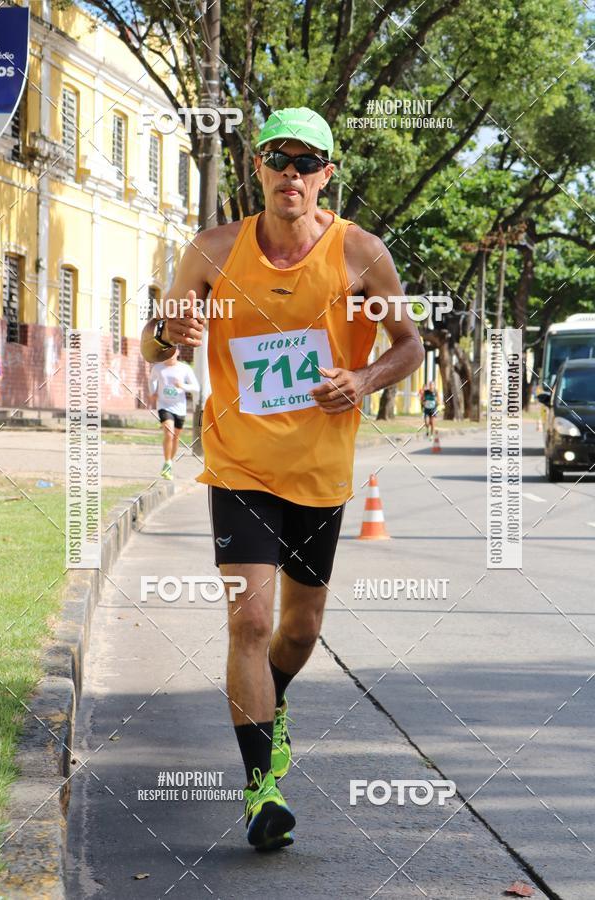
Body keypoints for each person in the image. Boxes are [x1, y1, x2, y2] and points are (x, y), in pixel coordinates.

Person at [141, 107, 424, 850]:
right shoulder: (210, 251)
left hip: (321, 475)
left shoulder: (360, 253)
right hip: (238, 467)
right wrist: (170, 331)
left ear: (327, 174)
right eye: (278, 159)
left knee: (297, 633)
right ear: (258, 168)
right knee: (251, 622)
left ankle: (274, 701)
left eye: (307, 162)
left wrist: (362, 380)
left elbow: (410, 343)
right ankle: (262, 788)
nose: (290, 174)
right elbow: (154, 343)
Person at [148, 348, 199, 480]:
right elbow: (152, 379)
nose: (170, 356)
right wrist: (153, 392)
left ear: (177, 353)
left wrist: (183, 386)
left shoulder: (184, 369)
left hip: (180, 408)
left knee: (175, 437)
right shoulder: (158, 368)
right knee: (169, 433)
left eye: (172, 352)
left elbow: (196, 387)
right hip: (164, 406)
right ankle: (167, 462)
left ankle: (170, 462)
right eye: (167, 353)